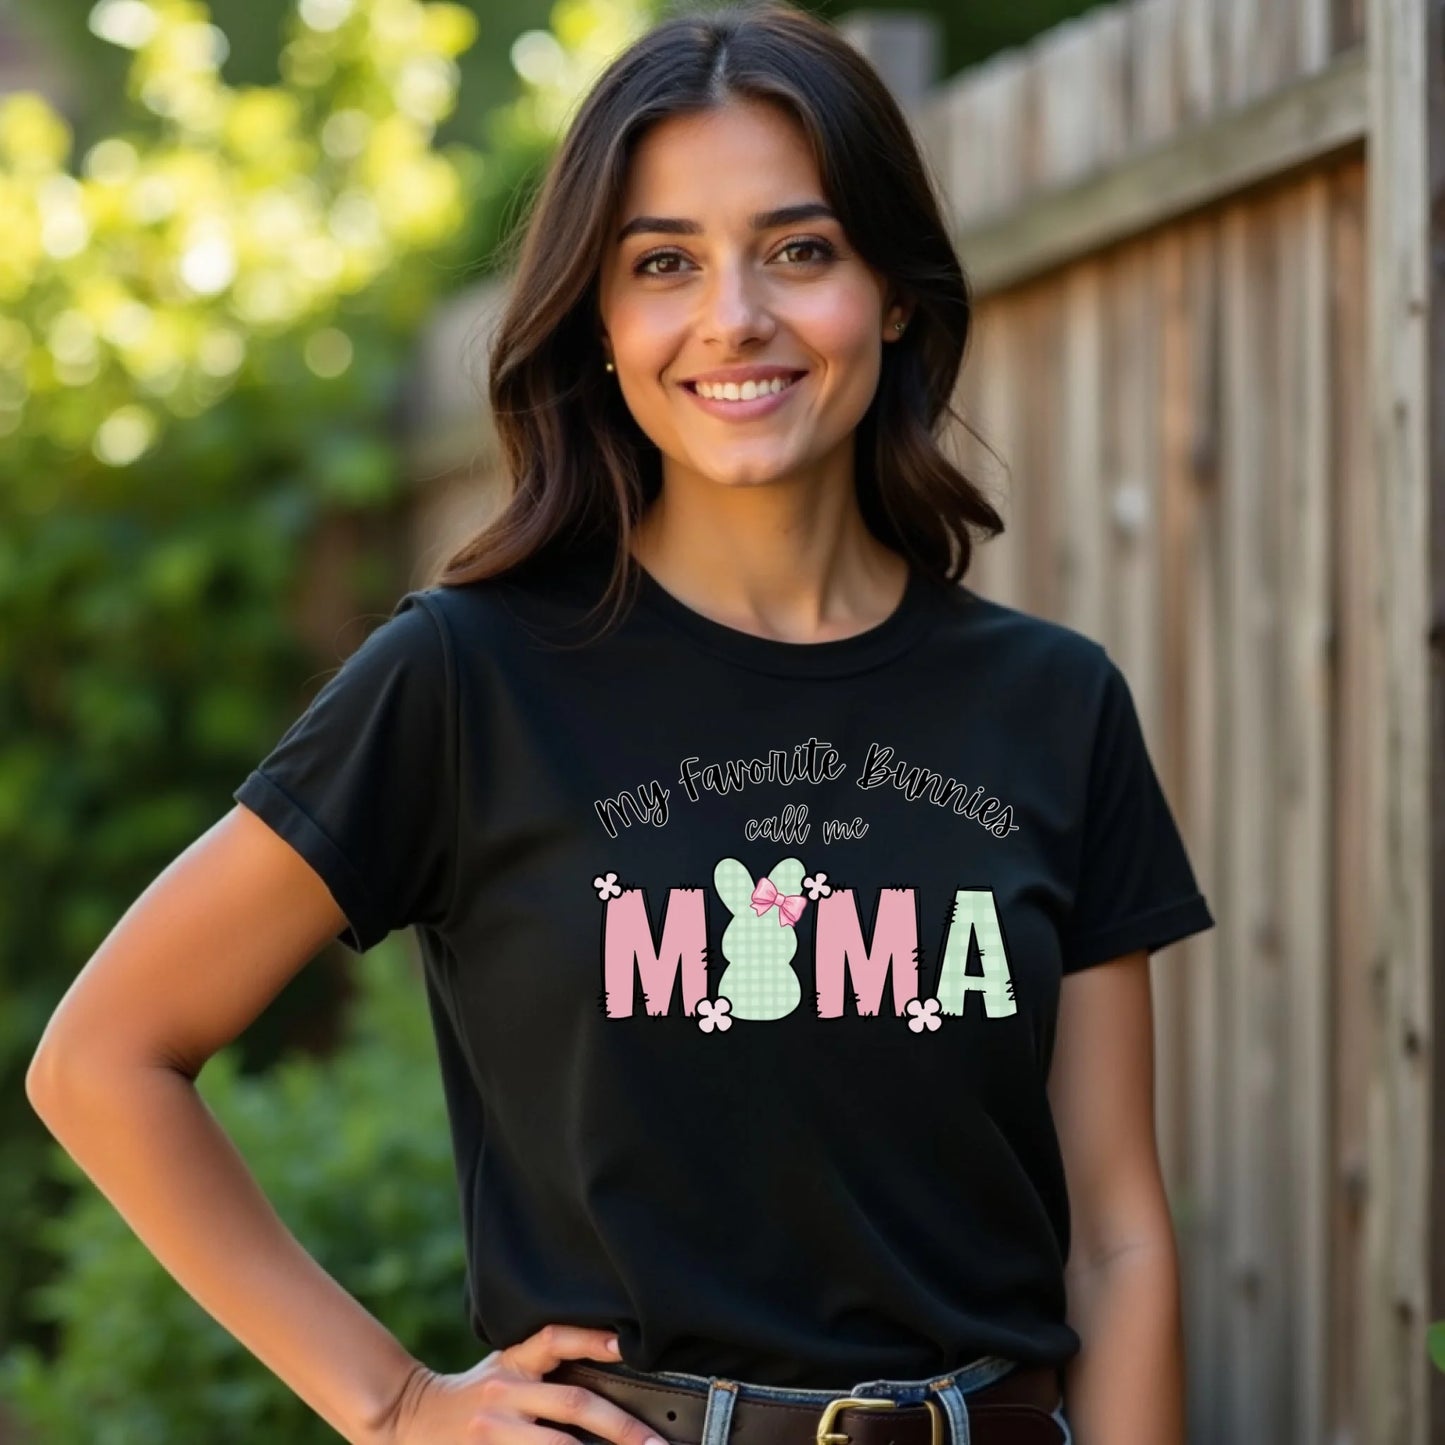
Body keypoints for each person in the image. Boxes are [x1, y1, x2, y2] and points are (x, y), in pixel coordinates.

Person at [24, 4, 1216, 1444]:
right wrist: (393, 1402)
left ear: (892, 291)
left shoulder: (1053, 702)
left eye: (799, 249)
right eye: (664, 263)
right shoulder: (469, 678)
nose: (735, 316)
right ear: (598, 319)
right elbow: (104, 1056)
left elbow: (1118, 1238)